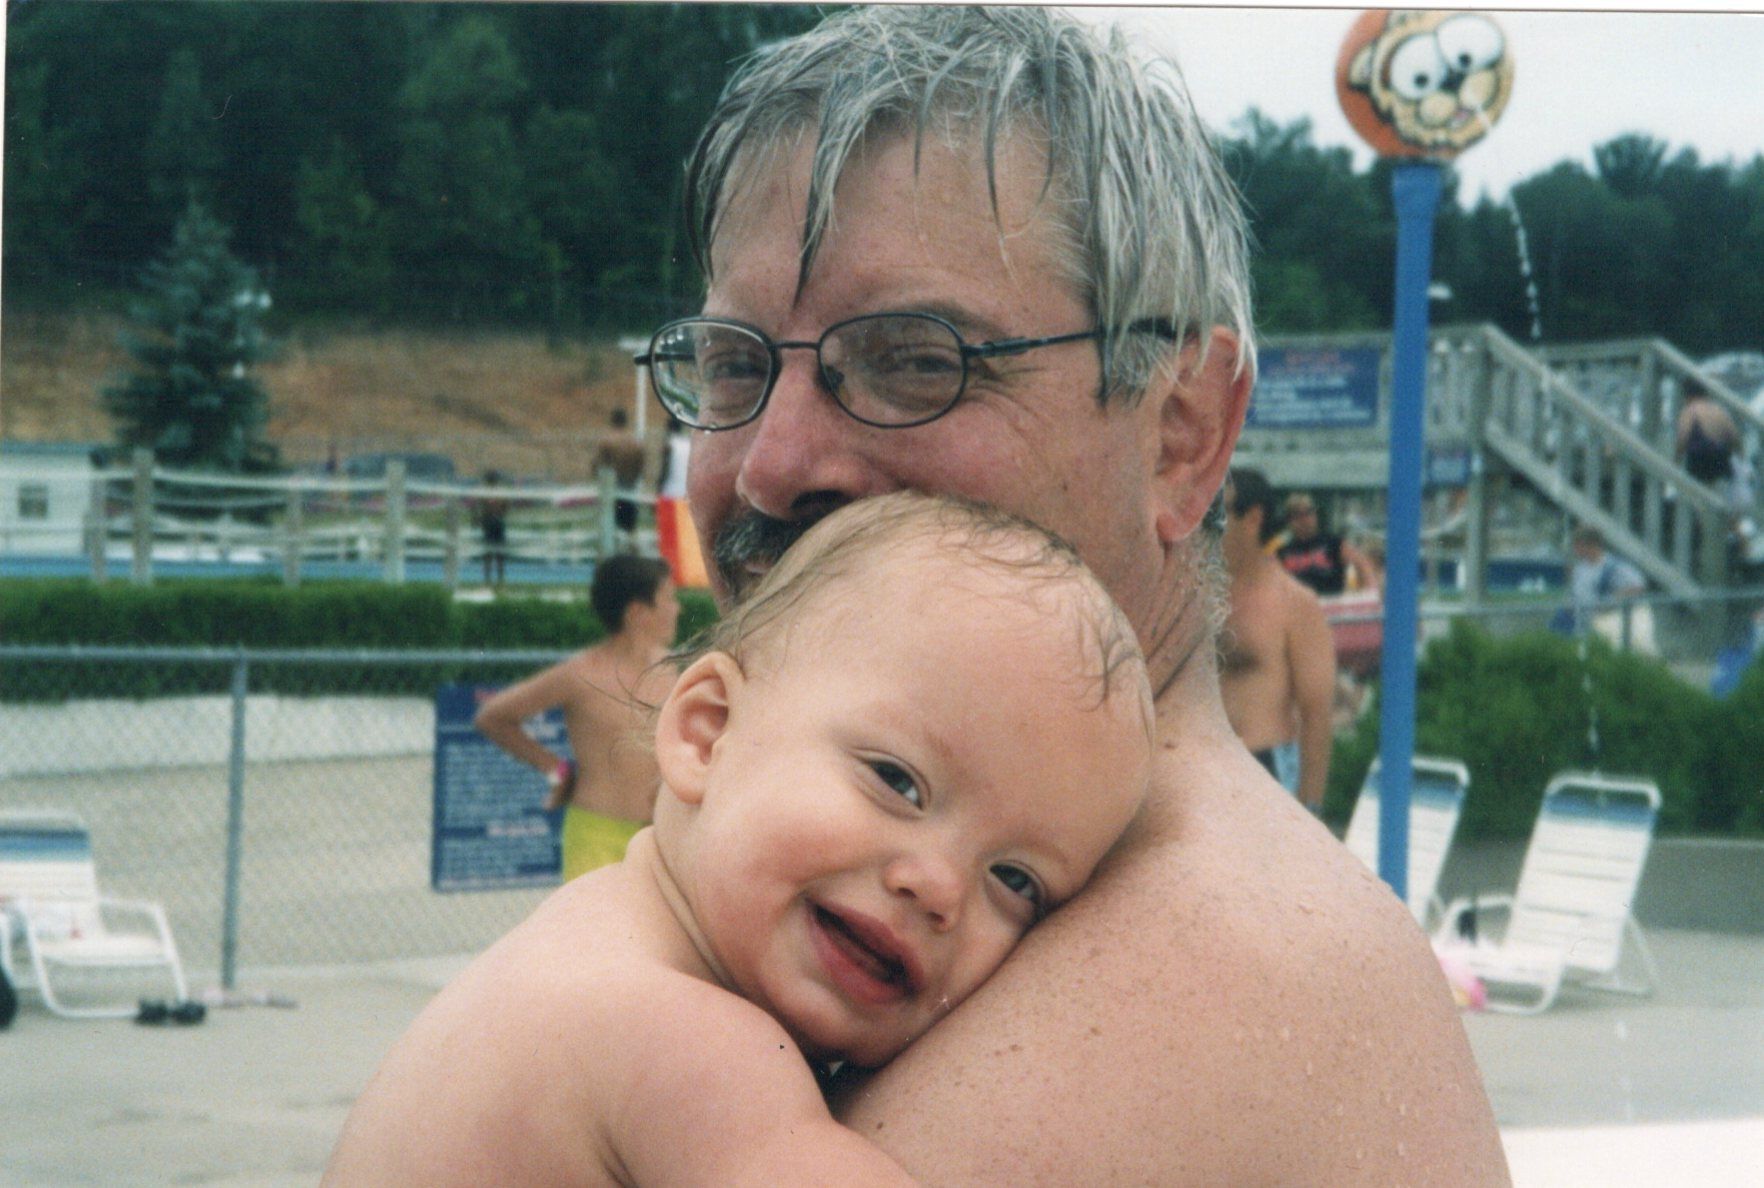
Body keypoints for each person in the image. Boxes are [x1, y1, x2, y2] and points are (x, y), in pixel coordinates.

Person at [649, 7, 1507, 1181]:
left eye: (914, 359)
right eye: (736, 366)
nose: (773, 463)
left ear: (1182, 432)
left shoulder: (1211, 979)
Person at [324, 492, 1153, 1185]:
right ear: (707, 733)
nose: (939, 886)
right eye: (897, 781)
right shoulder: (685, 1038)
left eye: (1017, 881)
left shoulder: (582, 944)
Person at [473, 554, 679, 879]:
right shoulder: (581, 674)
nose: (676, 608)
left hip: (660, 838)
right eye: (668, 598)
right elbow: (493, 717)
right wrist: (556, 769)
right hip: (596, 833)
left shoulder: (672, 672)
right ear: (637, 612)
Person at [1219, 467, 1337, 812]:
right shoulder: (1199, 598)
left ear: (1252, 519)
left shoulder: (1294, 604)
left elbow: (1316, 713)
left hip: (1266, 767)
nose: (1204, 526)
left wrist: (1310, 806)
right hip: (1205, 771)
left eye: (1218, 514)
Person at [1277, 489, 1381, 595]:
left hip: (1331, 606)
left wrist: (1371, 594)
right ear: (1289, 520)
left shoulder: (1334, 543)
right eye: (1297, 515)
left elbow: (1362, 564)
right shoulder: (1282, 553)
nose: (1304, 519)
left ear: (1315, 515)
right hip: (1296, 607)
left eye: (1308, 513)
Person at [1559, 524, 1646, 637]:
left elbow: (1637, 586)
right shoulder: (1580, 567)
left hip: (1602, 623)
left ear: (1591, 545)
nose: (1575, 550)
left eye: (1578, 545)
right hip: (1577, 620)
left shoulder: (1612, 566)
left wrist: (1608, 602)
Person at [591, 407, 647, 541]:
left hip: (612, 491)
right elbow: (641, 467)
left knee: (610, 530)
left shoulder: (607, 441)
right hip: (630, 490)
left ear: (612, 421)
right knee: (630, 530)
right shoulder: (635, 443)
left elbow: (597, 465)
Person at [1675, 377, 1738, 494]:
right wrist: (1740, 458)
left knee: (1699, 496)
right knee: (1719, 493)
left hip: (1700, 462)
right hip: (1721, 460)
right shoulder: (1718, 410)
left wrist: (1676, 460)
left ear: (1687, 394)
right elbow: (1734, 436)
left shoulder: (1690, 411)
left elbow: (1682, 438)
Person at [473, 469, 510, 587]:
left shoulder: (501, 492)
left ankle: (499, 580)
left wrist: (499, 514)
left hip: (497, 523)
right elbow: (479, 507)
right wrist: (478, 518)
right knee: (488, 553)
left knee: (499, 554)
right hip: (489, 523)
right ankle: (488, 580)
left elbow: (505, 506)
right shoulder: (483, 491)